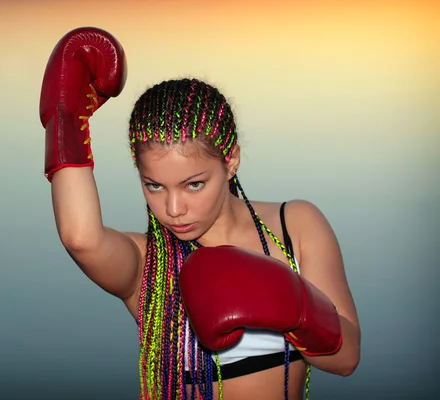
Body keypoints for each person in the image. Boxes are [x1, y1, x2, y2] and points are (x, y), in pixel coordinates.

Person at [40, 27, 361, 400]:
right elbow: (81, 238)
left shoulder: (297, 226)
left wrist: (297, 305)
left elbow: (347, 359)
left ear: (231, 161)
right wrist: (63, 119)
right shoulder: (151, 266)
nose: (173, 210)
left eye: (194, 184)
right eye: (154, 186)